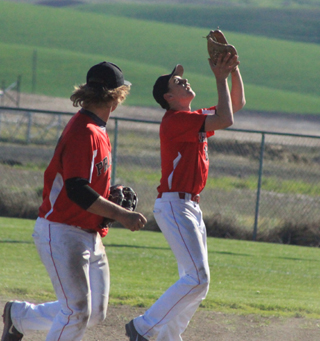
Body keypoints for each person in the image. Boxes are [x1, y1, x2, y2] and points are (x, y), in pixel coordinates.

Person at [1, 61, 147, 341]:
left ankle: (19, 318)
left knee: (92, 311)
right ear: (116, 97)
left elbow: (83, 184)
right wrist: (122, 214)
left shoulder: (96, 129)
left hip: (87, 232)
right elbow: (77, 190)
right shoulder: (86, 131)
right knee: (77, 310)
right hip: (61, 230)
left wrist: (107, 197)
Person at [125, 53, 245, 341]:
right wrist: (219, 78)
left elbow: (236, 105)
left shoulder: (191, 118)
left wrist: (233, 70)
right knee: (197, 279)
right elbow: (226, 119)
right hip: (175, 205)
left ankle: (168, 338)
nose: (185, 80)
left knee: (197, 283)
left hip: (189, 207)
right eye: (178, 81)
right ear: (169, 96)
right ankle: (142, 327)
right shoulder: (176, 120)